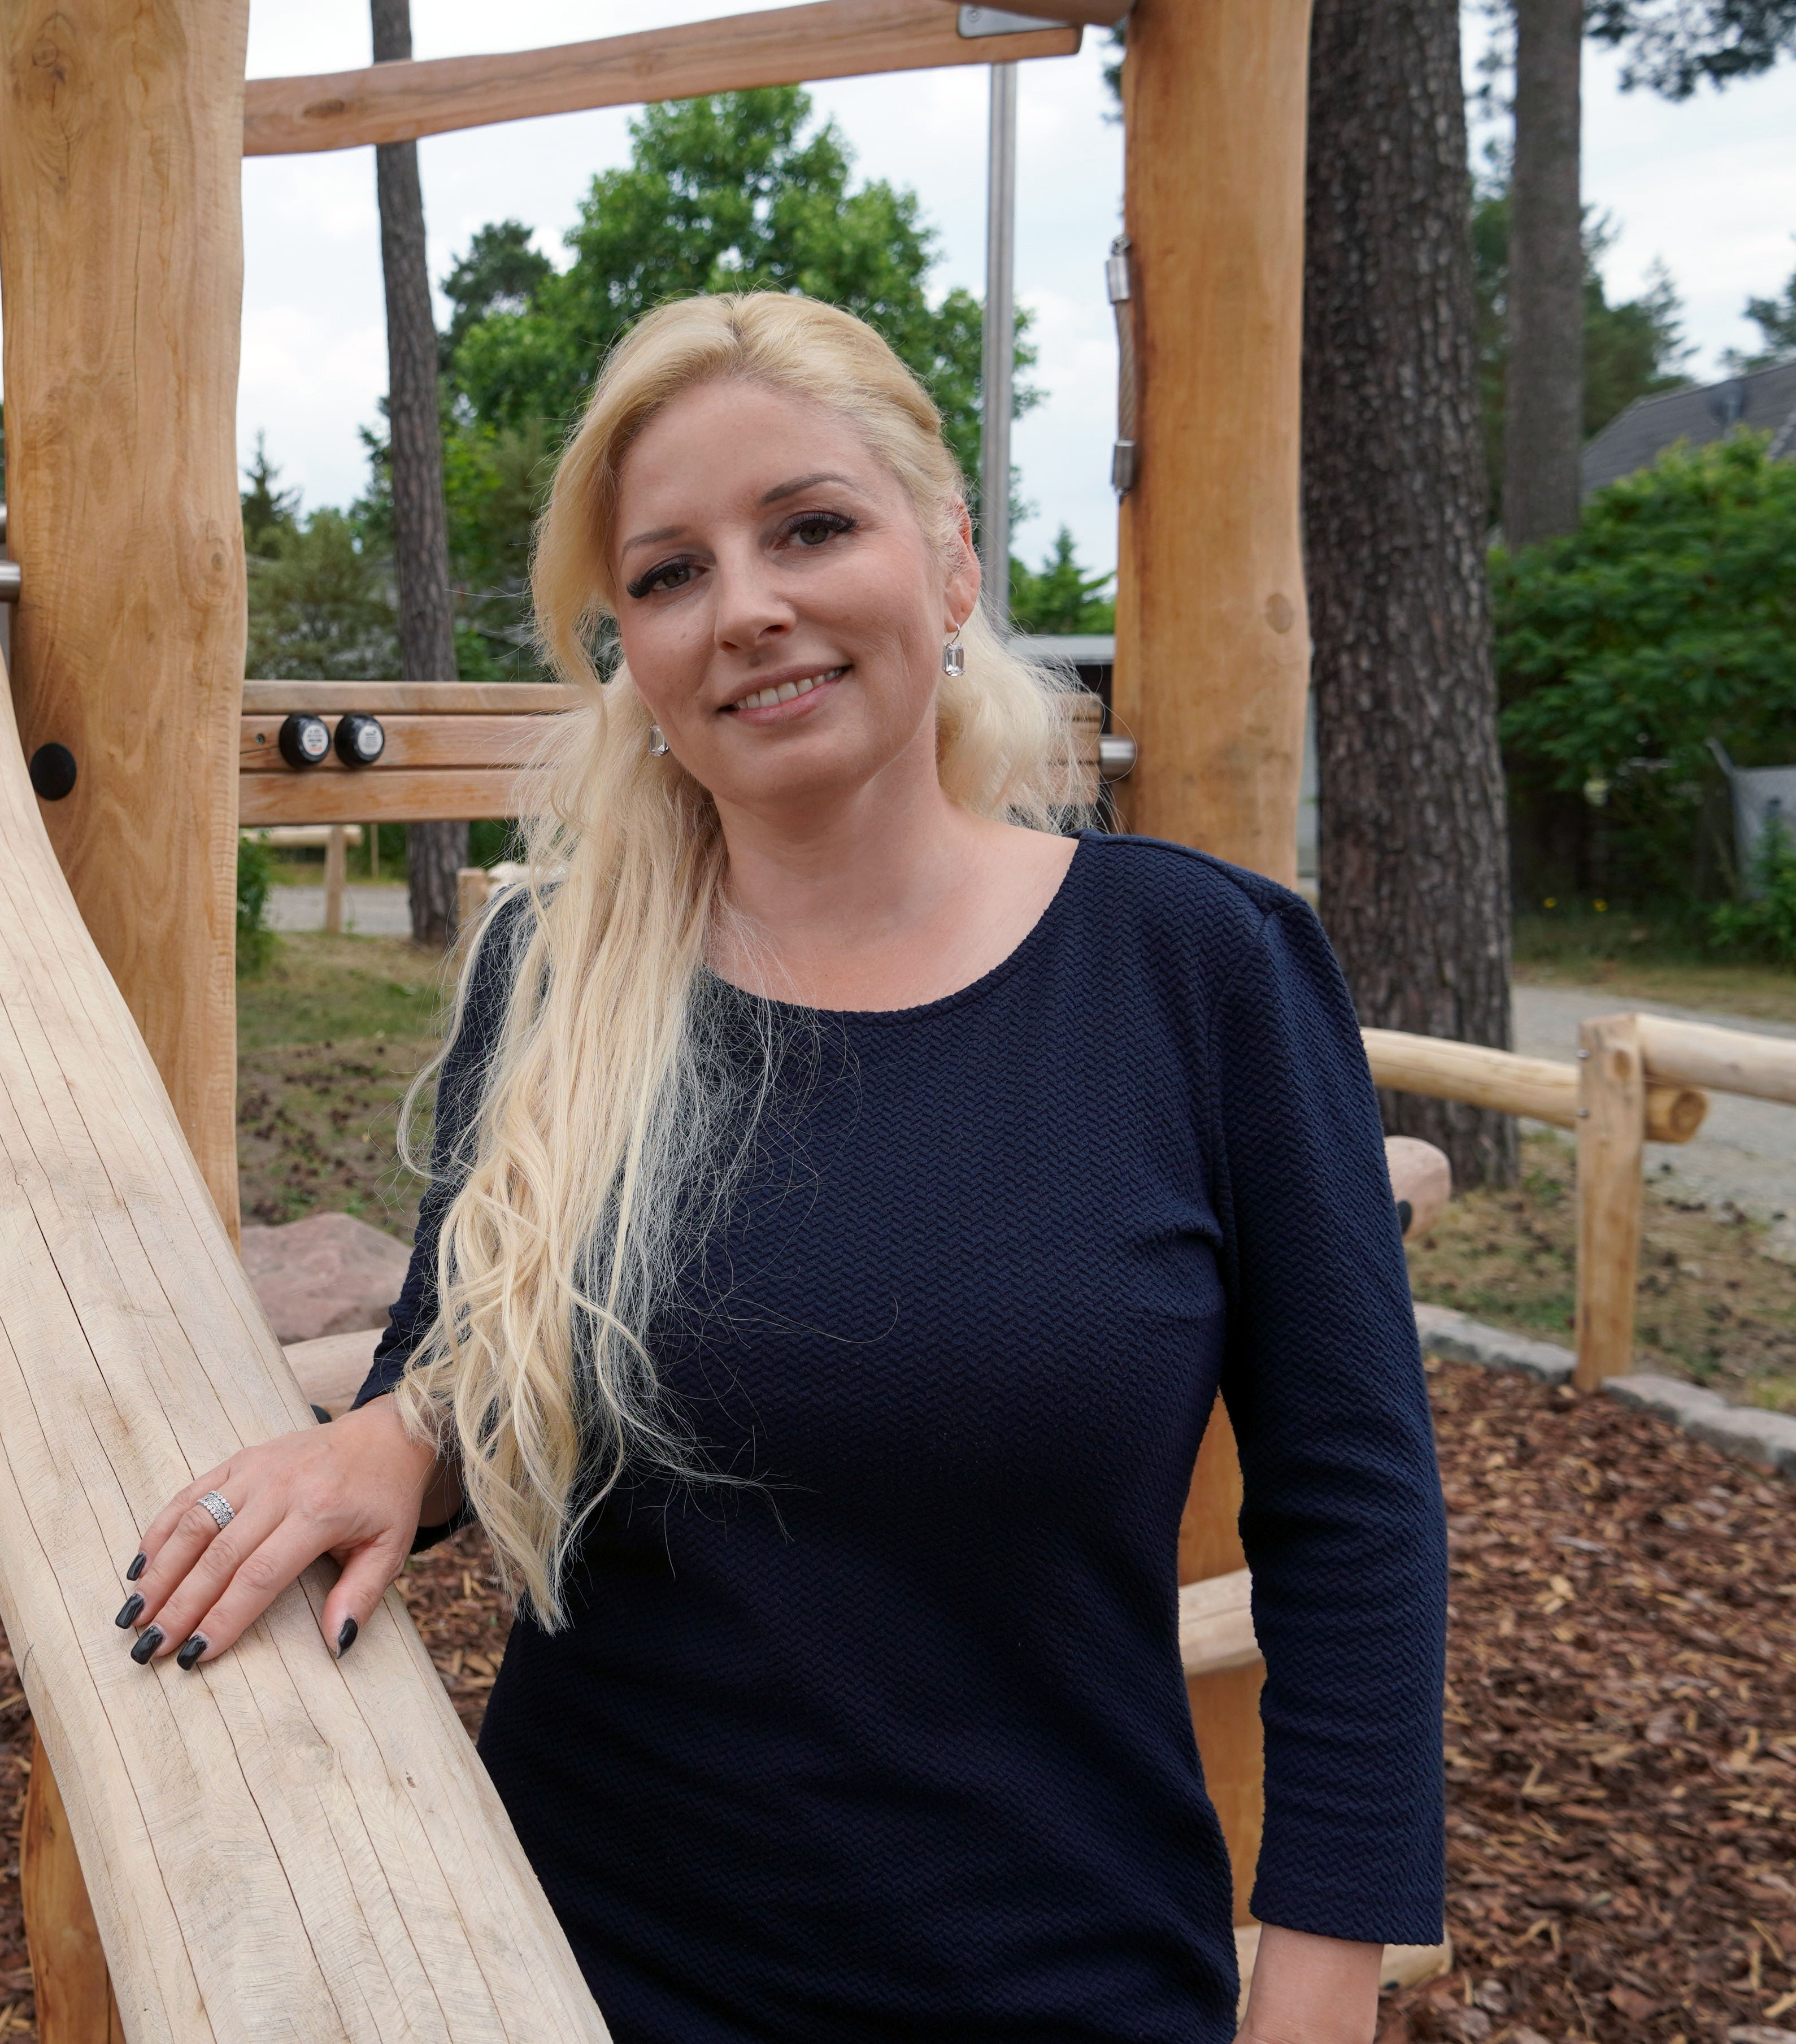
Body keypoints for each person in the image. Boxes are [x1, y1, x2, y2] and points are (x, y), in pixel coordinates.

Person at [103, 293, 1445, 2042]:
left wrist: (1317, 1994)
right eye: (668, 574)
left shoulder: (1200, 970)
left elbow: (1355, 1520)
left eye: (811, 527)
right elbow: (467, 1369)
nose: (746, 608)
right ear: (633, 653)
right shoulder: (563, 970)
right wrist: (385, 1440)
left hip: (1059, 1978)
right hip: (564, 1969)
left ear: (950, 562)